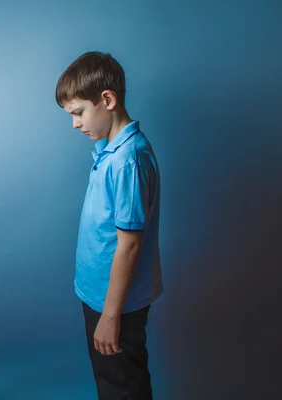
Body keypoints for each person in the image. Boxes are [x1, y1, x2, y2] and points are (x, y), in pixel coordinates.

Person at [55, 51, 163, 399]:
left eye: (78, 113)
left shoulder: (128, 160)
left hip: (115, 303)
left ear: (107, 99)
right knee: (110, 380)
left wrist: (111, 316)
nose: (75, 123)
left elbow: (129, 245)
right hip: (97, 292)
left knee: (122, 387)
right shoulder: (110, 150)